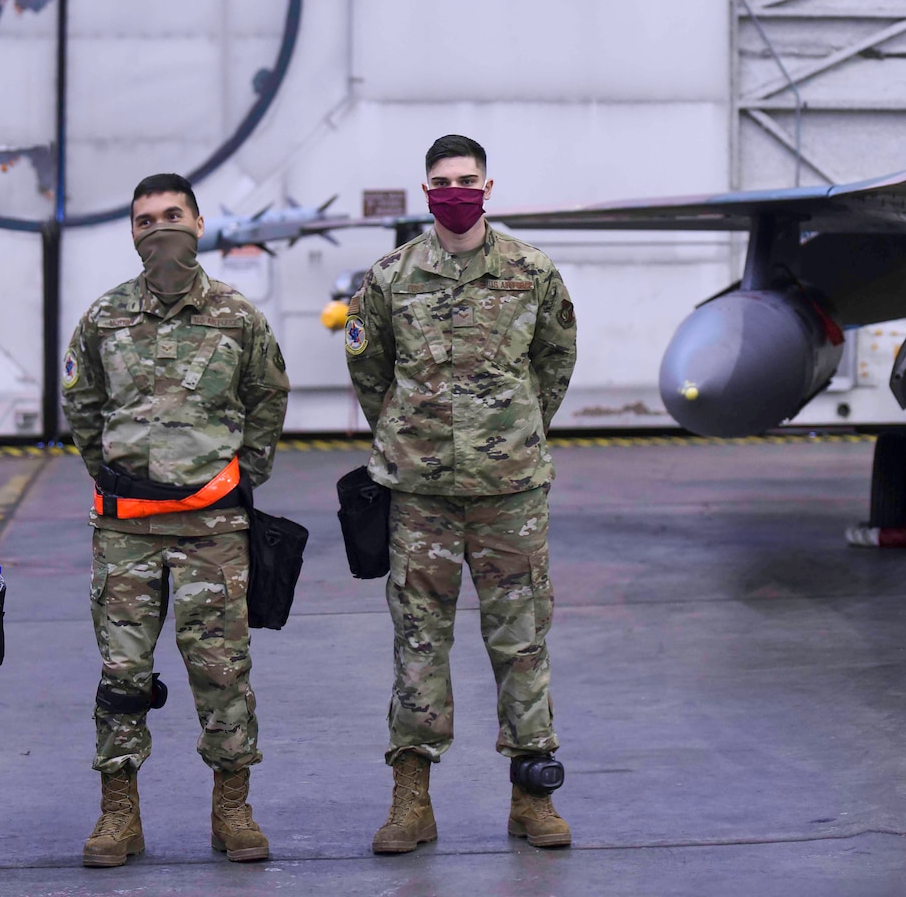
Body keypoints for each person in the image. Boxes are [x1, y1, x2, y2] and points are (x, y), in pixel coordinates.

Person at [343, 134, 580, 852]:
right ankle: (411, 799)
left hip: (510, 492)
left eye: (467, 179)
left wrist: (507, 431)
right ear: (426, 192)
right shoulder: (390, 276)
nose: (456, 190)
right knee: (418, 640)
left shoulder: (531, 272)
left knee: (522, 639)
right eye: (443, 180)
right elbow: (370, 372)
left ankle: (531, 795)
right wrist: (414, 436)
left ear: (488, 185)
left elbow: (556, 361)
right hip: (420, 496)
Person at [61, 173, 292, 867]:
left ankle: (232, 808)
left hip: (212, 532)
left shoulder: (237, 316)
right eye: (144, 220)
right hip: (127, 532)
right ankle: (118, 814)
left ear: (197, 223)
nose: (158, 230)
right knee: (122, 673)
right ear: (131, 234)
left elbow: (268, 397)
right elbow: (83, 409)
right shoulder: (103, 319)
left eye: (171, 216)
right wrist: (117, 476)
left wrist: (240, 475)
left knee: (222, 671)